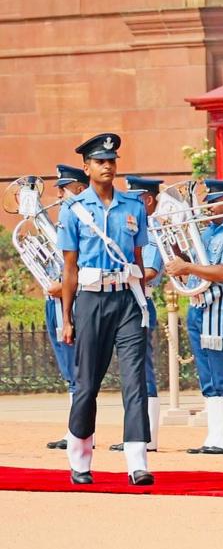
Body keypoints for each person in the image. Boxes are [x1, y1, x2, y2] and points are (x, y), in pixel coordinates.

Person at [56, 133, 152, 485]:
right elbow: (69, 268)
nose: (107, 166)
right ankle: (80, 460)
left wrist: (144, 303)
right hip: (91, 299)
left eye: (111, 160)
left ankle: (137, 461)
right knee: (86, 384)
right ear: (87, 167)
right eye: (100, 161)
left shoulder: (133, 206)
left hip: (126, 299)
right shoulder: (74, 210)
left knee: (134, 381)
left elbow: (139, 258)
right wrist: (66, 318)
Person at [166, 179, 223, 455]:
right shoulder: (209, 232)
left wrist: (188, 265)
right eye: (207, 201)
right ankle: (215, 436)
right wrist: (174, 242)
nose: (208, 207)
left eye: (214, 201)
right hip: (200, 306)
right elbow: (191, 261)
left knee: (222, 372)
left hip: (221, 308)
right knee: (207, 374)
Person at [107, 176, 165, 454]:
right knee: (131, 372)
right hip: (122, 300)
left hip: (139, 300)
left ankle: (147, 436)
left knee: (142, 371)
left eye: (135, 199)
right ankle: (137, 432)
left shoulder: (151, 230)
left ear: (148, 201)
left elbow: (150, 271)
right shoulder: (130, 227)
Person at [43, 164, 87, 451]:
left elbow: (84, 265)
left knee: (75, 370)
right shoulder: (62, 221)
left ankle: (80, 432)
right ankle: (74, 429)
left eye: (64, 187)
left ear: (80, 188)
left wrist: (63, 286)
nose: (58, 193)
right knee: (67, 370)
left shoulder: (84, 220)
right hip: (55, 302)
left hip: (72, 300)